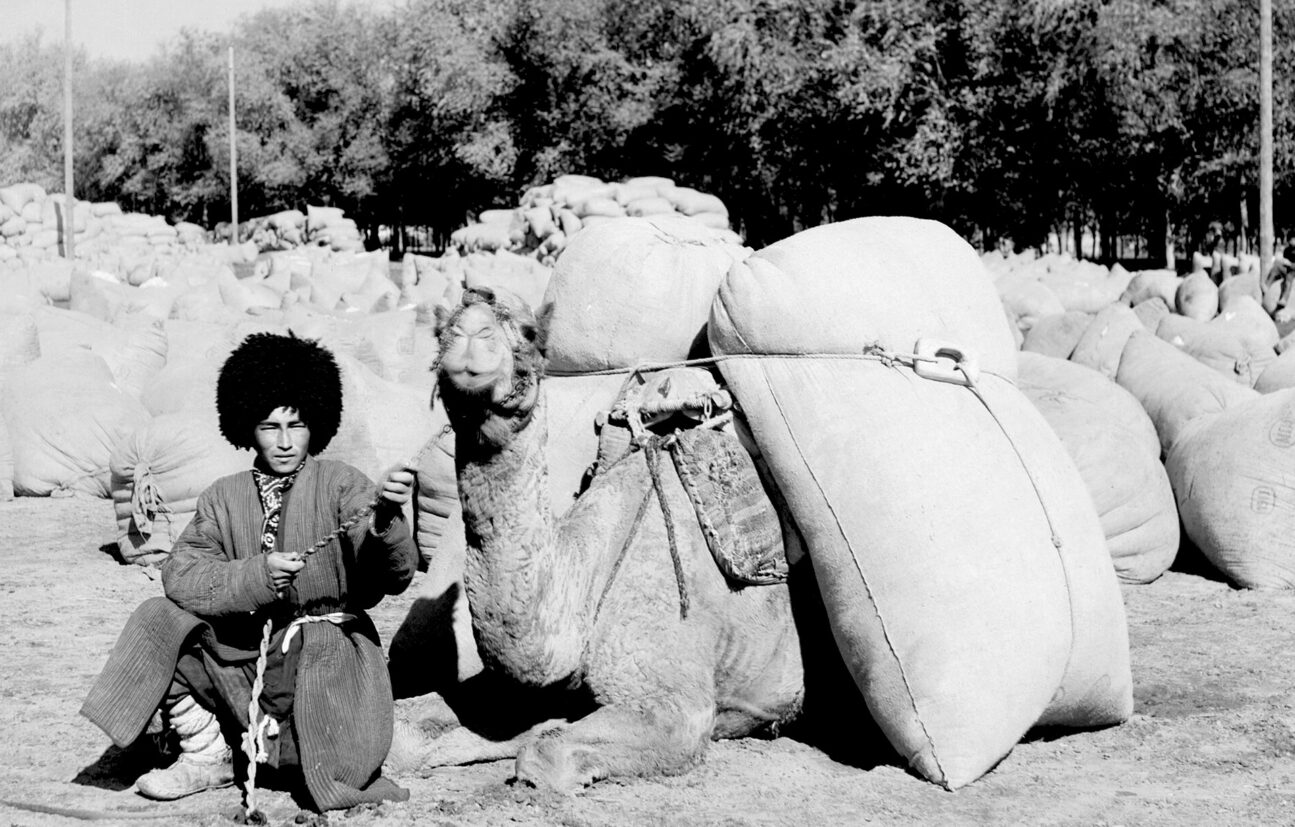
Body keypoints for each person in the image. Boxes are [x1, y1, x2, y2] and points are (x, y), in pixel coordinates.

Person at [81, 332, 420, 811]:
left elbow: (393, 574)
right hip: (245, 652)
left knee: (317, 770)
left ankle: (287, 747)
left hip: (327, 657)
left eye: (296, 426)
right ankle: (207, 754)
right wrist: (256, 577)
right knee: (160, 618)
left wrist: (385, 519)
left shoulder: (342, 482)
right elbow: (181, 574)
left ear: (316, 423)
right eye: (269, 427)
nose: (284, 442)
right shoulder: (222, 496)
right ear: (245, 426)